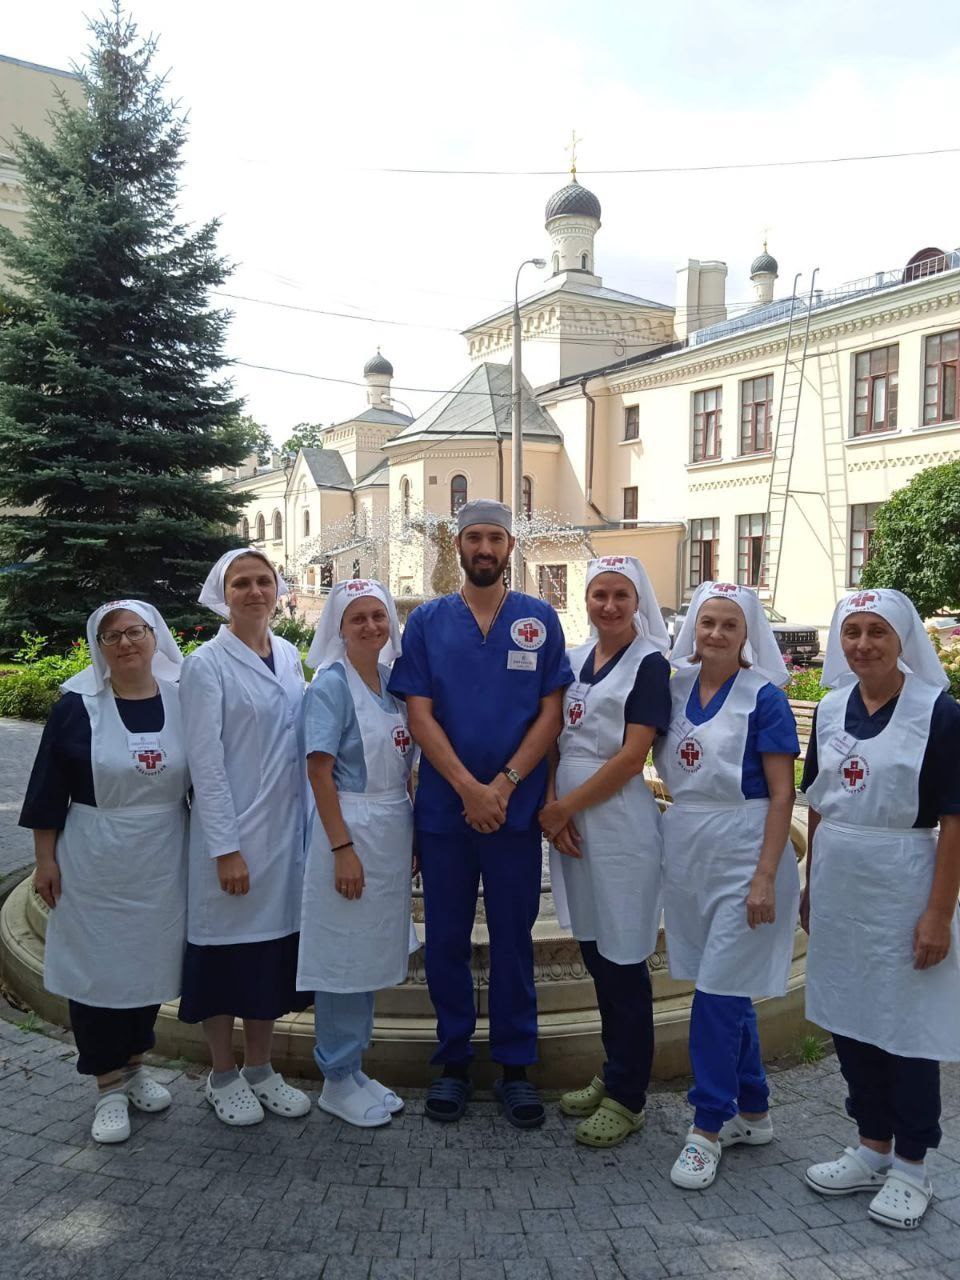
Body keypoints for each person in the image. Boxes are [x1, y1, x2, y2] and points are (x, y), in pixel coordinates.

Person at [388, 499, 572, 1126]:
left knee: (514, 940)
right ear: (459, 546)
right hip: (447, 812)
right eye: (475, 538)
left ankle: (516, 1066)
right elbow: (419, 715)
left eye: (495, 538)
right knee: (445, 938)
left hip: (514, 814)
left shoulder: (538, 619)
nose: (485, 549)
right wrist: (469, 788)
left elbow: (551, 712)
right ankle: (454, 1062)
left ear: (510, 547)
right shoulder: (427, 622)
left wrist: (506, 784)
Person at [801, 588, 960, 1230]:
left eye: (877, 632)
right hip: (841, 882)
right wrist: (810, 882)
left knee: (905, 1024)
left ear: (902, 640)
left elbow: (954, 819)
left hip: (903, 880)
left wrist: (939, 912)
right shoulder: (831, 708)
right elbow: (819, 799)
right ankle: (871, 1147)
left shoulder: (938, 713)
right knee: (849, 1012)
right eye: (852, 632)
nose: (863, 644)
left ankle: (912, 1166)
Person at [21, 600, 188, 1144]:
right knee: (98, 969)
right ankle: (107, 1086)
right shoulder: (77, 707)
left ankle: (135, 1067)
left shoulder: (183, 699)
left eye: (135, 631)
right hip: (95, 855)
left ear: (155, 637)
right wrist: (45, 860)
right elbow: (47, 789)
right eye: (111, 636)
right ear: (99, 648)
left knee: (148, 965)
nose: (125, 643)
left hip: (163, 854)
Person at [653, 580, 800, 1190]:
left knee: (715, 992)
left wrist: (765, 875)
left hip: (746, 849)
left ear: (747, 635)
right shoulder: (673, 688)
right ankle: (754, 1110)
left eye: (729, 625)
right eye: (707, 622)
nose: (715, 633)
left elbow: (783, 794)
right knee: (725, 985)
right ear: (693, 627)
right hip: (690, 847)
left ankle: (707, 1126)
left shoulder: (763, 697)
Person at [539, 556, 671, 1148]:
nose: (609, 606)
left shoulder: (649, 665)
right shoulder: (574, 660)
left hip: (618, 826)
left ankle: (629, 1096)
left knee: (624, 960)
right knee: (595, 954)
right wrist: (552, 805)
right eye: (599, 595)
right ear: (586, 600)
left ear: (638, 601)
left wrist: (563, 808)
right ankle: (614, 1070)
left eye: (621, 595)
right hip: (571, 823)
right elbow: (554, 740)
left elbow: (632, 756)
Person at [179, 548, 311, 1126]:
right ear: (223, 593)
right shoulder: (206, 665)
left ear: (277, 589)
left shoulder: (289, 655)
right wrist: (225, 848)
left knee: (268, 956)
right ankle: (222, 1073)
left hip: (284, 836)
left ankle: (260, 1068)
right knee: (223, 955)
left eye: (264, 581)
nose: (255, 591)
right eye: (242, 583)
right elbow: (205, 765)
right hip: (232, 837)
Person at [297, 579, 415, 1127]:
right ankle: (336, 1078)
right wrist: (342, 848)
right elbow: (318, 771)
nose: (371, 626)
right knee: (343, 955)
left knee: (369, 953)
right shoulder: (331, 685)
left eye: (378, 615)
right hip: (349, 826)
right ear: (339, 628)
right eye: (358, 618)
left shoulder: (391, 682)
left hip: (389, 827)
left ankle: (354, 1065)